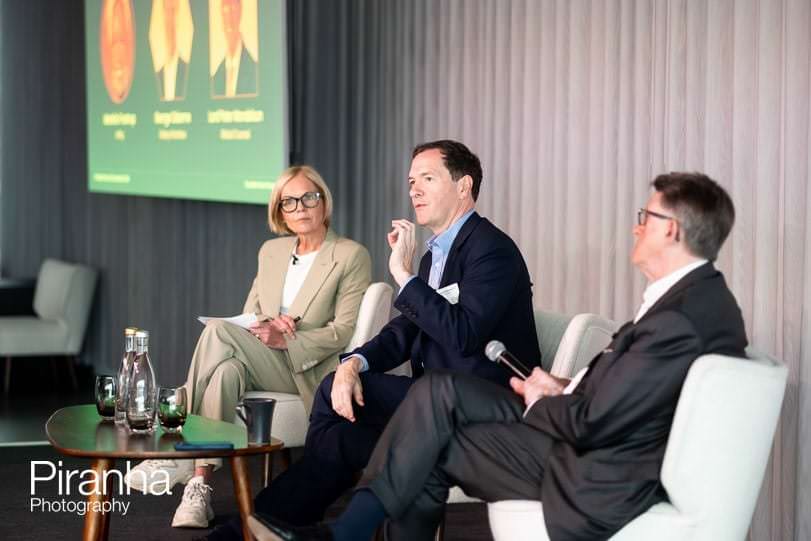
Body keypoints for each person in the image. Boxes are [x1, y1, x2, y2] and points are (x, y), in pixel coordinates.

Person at [259, 172, 749, 541]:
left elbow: (593, 423)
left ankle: (337, 533)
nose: (635, 227)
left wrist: (544, 399)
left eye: (646, 217)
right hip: (588, 441)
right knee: (425, 416)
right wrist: (565, 386)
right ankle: (328, 527)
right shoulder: (692, 302)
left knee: (429, 428)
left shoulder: (679, 320)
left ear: (674, 230)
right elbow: (627, 397)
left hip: (594, 476)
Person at [204, 139, 542, 539]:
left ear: (464, 186)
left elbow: (462, 334)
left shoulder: (492, 251)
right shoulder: (437, 254)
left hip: (476, 406)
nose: (414, 189)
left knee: (337, 445)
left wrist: (403, 275)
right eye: (411, 180)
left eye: (427, 179)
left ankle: (262, 527)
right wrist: (354, 362)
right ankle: (254, 527)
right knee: (336, 394)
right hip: (427, 398)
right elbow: (404, 331)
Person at [125, 165, 372, 529]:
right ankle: (199, 488)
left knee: (218, 333)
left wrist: (289, 336)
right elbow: (252, 313)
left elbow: (343, 332)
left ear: (324, 202)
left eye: (309, 197)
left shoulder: (350, 255)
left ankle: (175, 437)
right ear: (280, 212)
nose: (301, 207)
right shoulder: (271, 251)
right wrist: (268, 325)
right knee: (225, 371)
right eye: (290, 202)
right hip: (263, 355)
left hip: (308, 368)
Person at [211, 0, 258, 98]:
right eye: (225, 11)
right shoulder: (215, 79)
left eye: (232, 10)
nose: (229, 19)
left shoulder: (255, 72)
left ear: (240, 11)